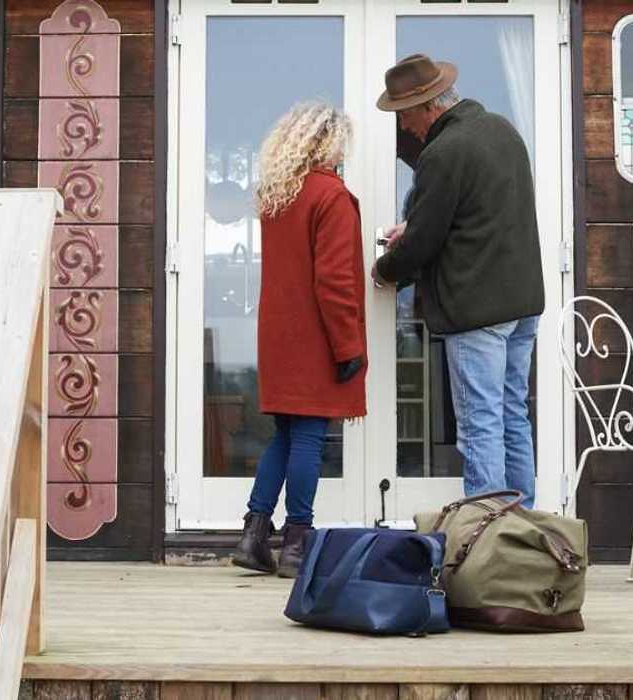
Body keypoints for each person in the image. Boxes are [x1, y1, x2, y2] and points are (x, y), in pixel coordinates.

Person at [372, 54, 545, 508]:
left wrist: (384, 269)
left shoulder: (443, 152)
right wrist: (416, 228)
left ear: (428, 106)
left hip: (477, 310)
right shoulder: (502, 131)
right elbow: (478, 213)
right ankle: (521, 526)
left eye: (404, 114)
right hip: (522, 304)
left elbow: (425, 241)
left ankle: (488, 540)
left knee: (480, 424)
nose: (405, 126)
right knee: (512, 417)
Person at [232, 102, 367, 577]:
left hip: (280, 333)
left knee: (286, 434)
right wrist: (348, 346)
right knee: (310, 437)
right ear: (328, 143)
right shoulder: (331, 197)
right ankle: (297, 542)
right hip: (316, 336)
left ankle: (253, 533)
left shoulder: (279, 196)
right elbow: (335, 281)